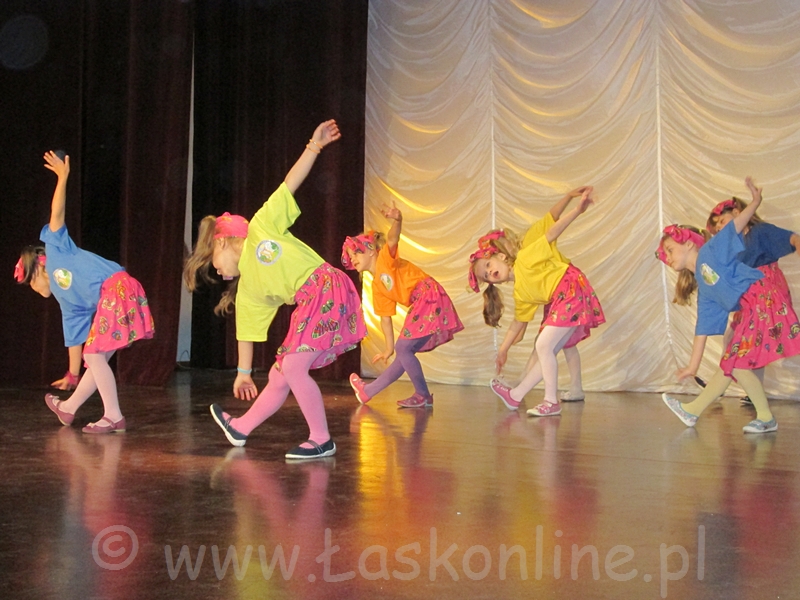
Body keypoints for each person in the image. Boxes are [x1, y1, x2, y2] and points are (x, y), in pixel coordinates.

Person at [184, 119, 365, 459]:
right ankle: (241, 427)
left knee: (293, 367)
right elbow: (247, 332)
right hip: (311, 301)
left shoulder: (262, 227)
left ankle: (321, 438)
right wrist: (243, 374)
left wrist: (314, 146)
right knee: (281, 373)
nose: (218, 271)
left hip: (324, 286)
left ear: (223, 242)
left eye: (214, 262)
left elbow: (290, 183)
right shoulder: (248, 289)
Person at [15, 151, 155, 433]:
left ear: (39, 267)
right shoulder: (66, 300)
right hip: (117, 294)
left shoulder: (57, 251)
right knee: (96, 358)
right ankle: (69, 408)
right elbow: (75, 339)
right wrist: (72, 373)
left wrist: (62, 178)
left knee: (94, 356)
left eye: (31, 282)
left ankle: (113, 416)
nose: (33, 289)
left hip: (117, 287)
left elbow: (56, 214)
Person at [659, 177, 800, 433]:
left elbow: (735, 226)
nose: (667, 257)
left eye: (669, 250)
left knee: (737, 362)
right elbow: (703, 327)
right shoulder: (705, 287)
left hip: (764, 300)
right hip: (751, 308)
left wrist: (754, 202)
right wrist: (692, 367)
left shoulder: (712, 251)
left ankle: (766, 417)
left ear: (688, 243)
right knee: (730, 362)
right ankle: (692, 410)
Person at [468, 186, 605, 416]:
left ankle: (551, 401)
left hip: (570, 288)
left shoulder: (525, 257)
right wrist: (503, 350)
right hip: (561, 298)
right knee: (548, 347)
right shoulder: (520, 293)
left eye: (489, 265)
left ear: (501, 255)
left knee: (543, 345)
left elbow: (552, 232)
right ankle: (516, 395)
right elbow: (518, 324)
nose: (490, 273)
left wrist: (577, 211)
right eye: (486, 275)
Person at [342, 203, 464, 408]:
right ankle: (368, 392)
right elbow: (385, 318)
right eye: (350, 256)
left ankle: (423, 395)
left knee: (404, 348)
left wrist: (397, 220)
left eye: (355, 253)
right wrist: (388, 348)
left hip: (428, 294)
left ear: (370, 250)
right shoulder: (377, 286)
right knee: (403, 353)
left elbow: (392, 238)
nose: (352, 258)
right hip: (421, 301)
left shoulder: (385, 259)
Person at [699, 196, 799, 405]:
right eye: (717, 227)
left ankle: (723, 387)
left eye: (722, 221)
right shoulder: (732, 246)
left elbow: (791, 238)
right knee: (744, 342)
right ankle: (751, 393)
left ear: (738, 214)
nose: (720, 228)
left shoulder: (758, 232)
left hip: (765, 295)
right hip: (750, 297)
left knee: (742, 345)